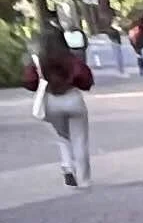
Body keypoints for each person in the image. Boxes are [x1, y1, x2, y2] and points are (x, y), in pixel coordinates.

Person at [24, 17, 94, 185]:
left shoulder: (38, 61)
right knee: (79, 139)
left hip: (50, 100)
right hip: (72, 98)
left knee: (62, 136)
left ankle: (67, 166)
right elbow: (85, 78)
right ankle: (84, 180)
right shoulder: (71, 58)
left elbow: (29, 81)